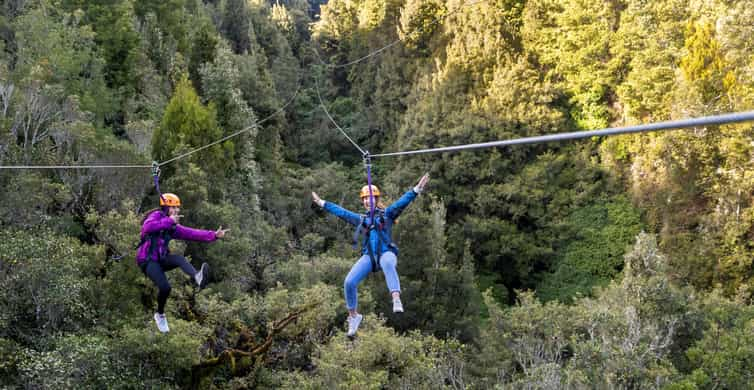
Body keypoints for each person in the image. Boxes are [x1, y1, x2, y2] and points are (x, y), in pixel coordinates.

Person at [312, 173, 429, 336]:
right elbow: (343, 213)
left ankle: (396, 297)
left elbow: (402, 203)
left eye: (370, 198)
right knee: (349, 282)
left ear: (376, 199)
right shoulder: (361, 219)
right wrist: (323, 203)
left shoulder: (387, 214)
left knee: (388, 263)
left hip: (386, 253)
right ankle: (353, 316)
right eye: (365, 199)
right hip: (370, 257)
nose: (367, 201)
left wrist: (416, 190)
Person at [136, 193, 229, 333]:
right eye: (174, 207)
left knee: (179, 258)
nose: (177, 210)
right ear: (167, 208)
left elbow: (192, 233)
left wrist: (214, 235)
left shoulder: (172, 227)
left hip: (161, 259)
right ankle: (160, 315)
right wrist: (169, 221)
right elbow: (147, 228)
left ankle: (197, 276)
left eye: (177, 208)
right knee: (165, 288)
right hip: (147, 261)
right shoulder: (156, 216)